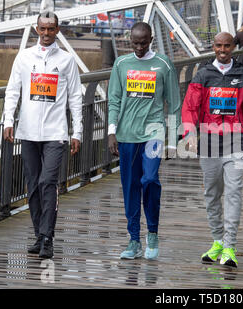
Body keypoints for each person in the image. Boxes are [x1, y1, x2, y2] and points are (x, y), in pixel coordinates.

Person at [3, 11, 83, 259]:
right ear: (36, 29)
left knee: (48, 183)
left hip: (55, 133)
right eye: (42, 29)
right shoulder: (24, 57)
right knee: (33, 185)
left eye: (51, 29)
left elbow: (76, 98)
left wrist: (76, 131)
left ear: (57, 30)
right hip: (27, 132)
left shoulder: (67, 60)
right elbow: (12, 90)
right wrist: (8, 120)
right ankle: (39, 234)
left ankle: (48, 237)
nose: (46, 33)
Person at [182, 32, 243, 267]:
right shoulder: (203, 75)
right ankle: (217, 240)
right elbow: (190, 108)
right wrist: (190, 133)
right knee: (212, 194)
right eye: (218, 46)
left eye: (227, 46)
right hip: (209, 142)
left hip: (235, 142)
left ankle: (229, 246)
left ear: (234, 47)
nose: (223, 50)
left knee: (234, 191)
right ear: (213, 47)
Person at [107, 22, 181, 260]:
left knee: (149, 179)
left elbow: (174, 102)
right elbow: (114, 100)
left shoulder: (163, 64)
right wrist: (111, 132)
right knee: (130, 189)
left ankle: (153, 232)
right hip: (127, 135)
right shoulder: (121, 64)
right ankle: (134, 240)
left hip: (154, 133)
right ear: (130, 41)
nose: (139, 47)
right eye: (135, 43)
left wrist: (172, 139)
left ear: (151, 40)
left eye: (143, 42)